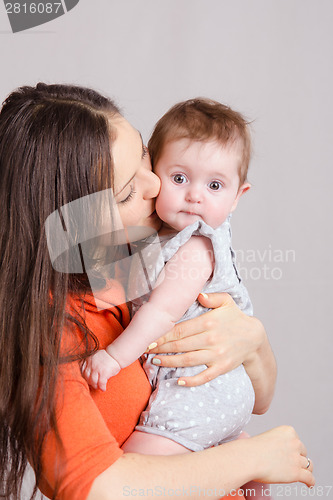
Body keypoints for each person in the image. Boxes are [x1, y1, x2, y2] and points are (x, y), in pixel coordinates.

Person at [0, 83, 314, 500]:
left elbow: (260, 398)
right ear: (72, 221)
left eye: (146, 157)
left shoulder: (135, 259)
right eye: (129, 189)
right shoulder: (49, 332)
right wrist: (253, 457)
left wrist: (253, 341)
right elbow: (101, 490)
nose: (155, 185)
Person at [79, 98, 264, 499]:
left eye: (214, 186)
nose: (195, 196)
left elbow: (161, 313)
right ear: (154, 170)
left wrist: (112, 358)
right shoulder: (158, 236)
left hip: (198, 391)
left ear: (237, 196)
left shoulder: (197, 246)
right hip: (207, 390)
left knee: (136, 469)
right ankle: (243, 461)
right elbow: (107, 277)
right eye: (179, 178)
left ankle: (244, 462)